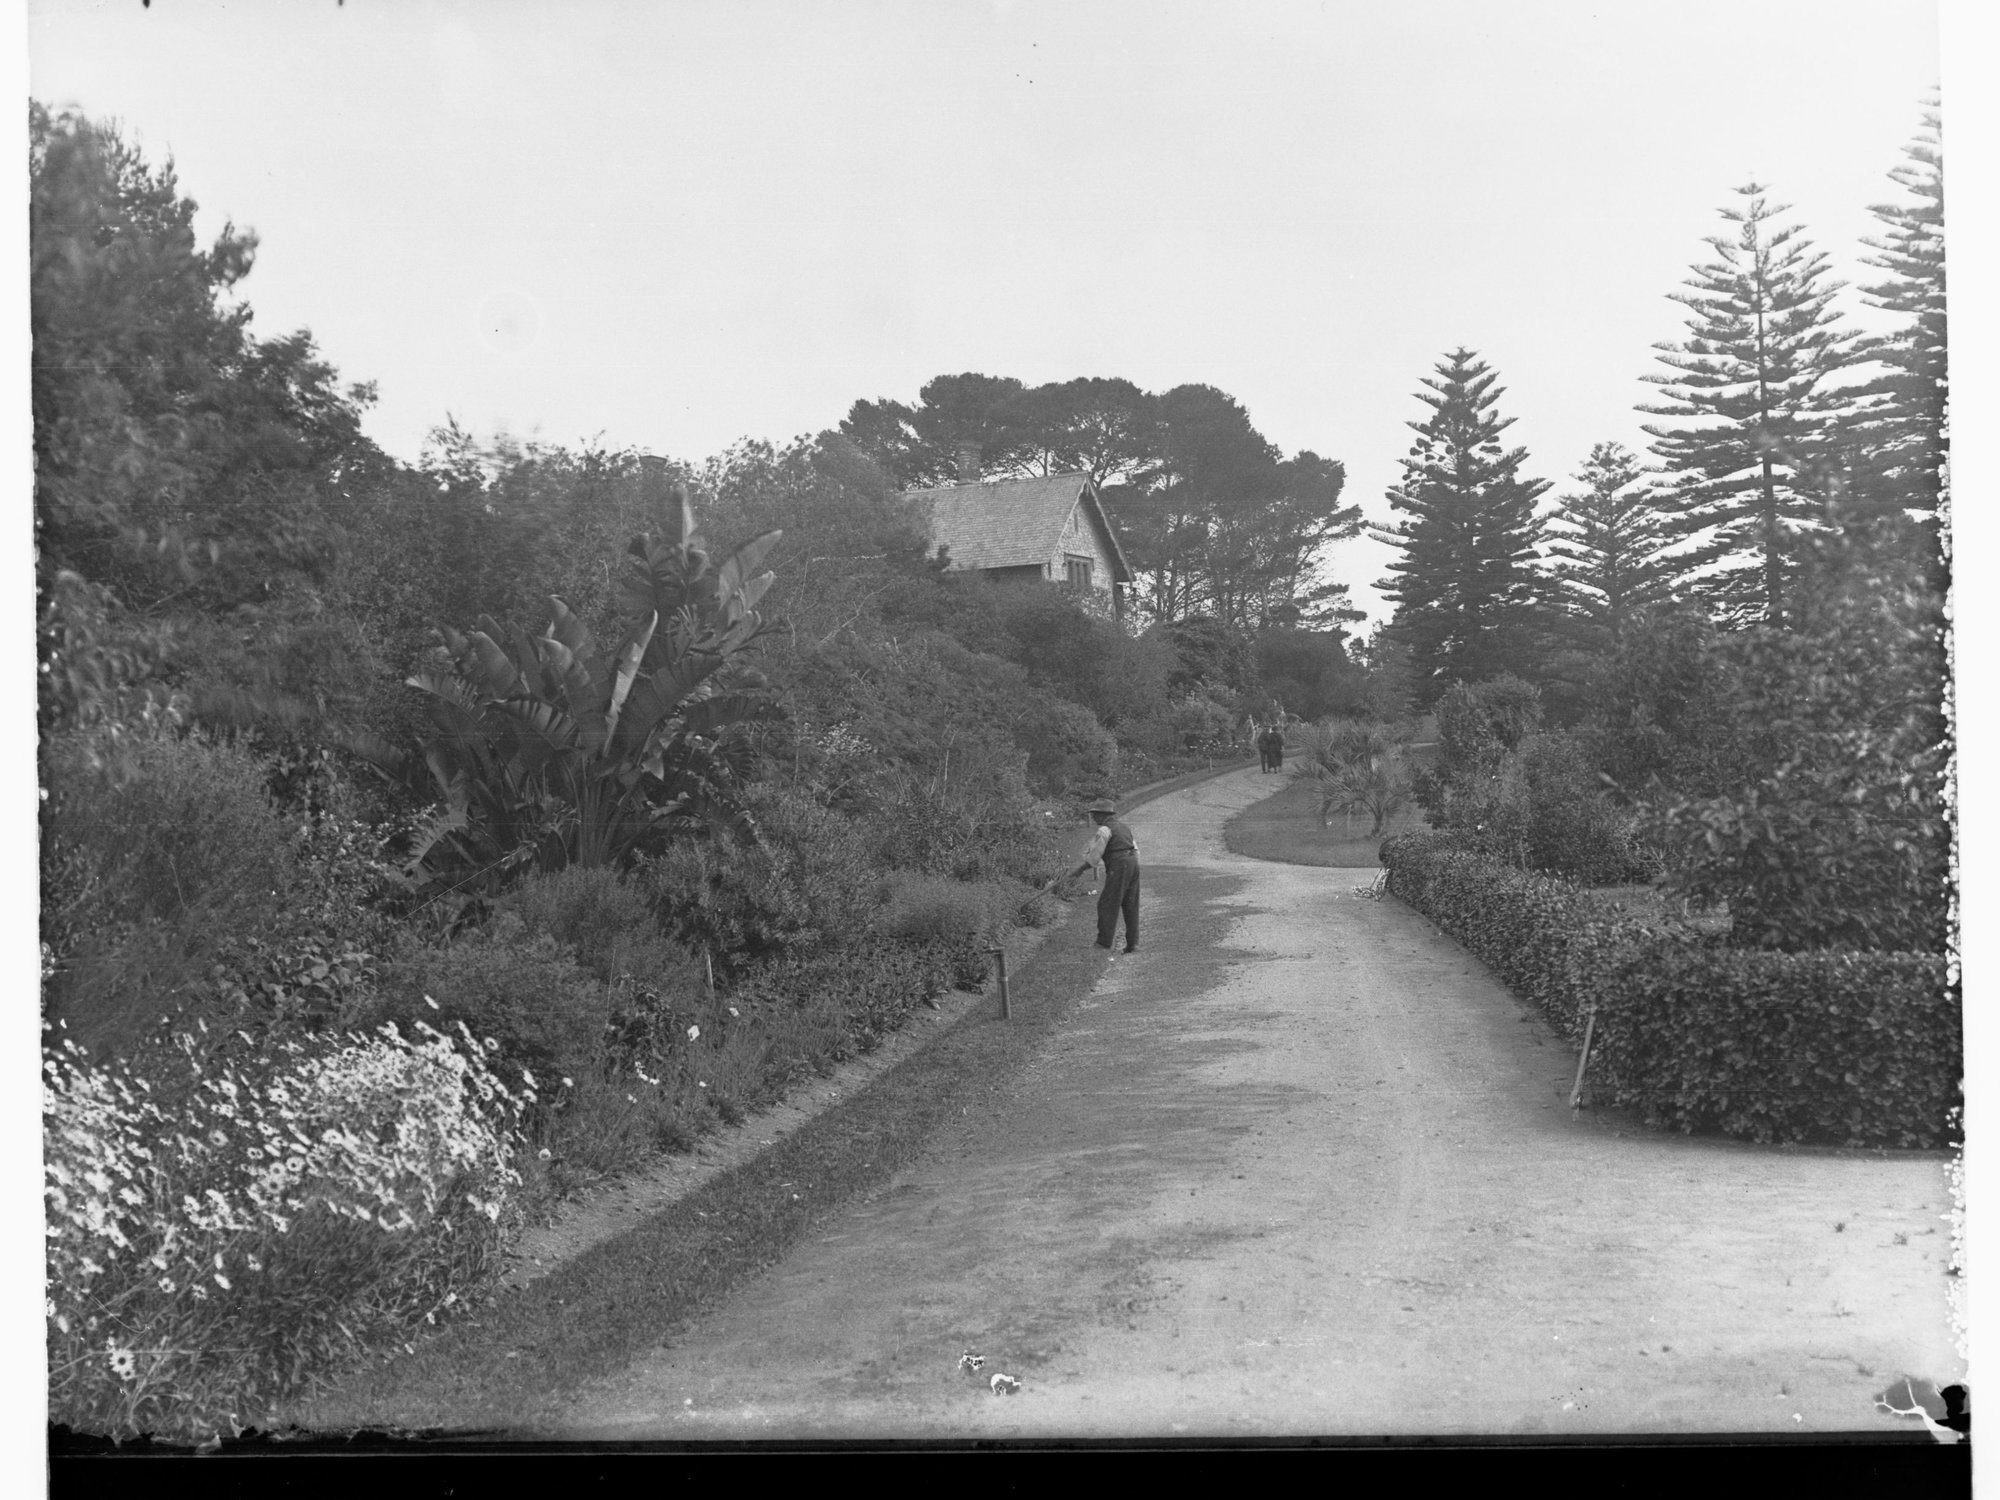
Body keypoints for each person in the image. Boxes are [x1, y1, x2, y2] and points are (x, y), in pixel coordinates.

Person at [1065, 796, 1140, 957]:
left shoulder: (1105, 829)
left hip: (1120, 865)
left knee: (1107, 904)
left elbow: (1095, 855)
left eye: (1094, 814)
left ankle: (1103, 943)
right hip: (1133, 863)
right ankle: (1133, 943)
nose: (1092, 817)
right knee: (1130, 904)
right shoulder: (1123, 827)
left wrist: (1080, 869)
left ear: (1102, 815)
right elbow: (1135, 848)